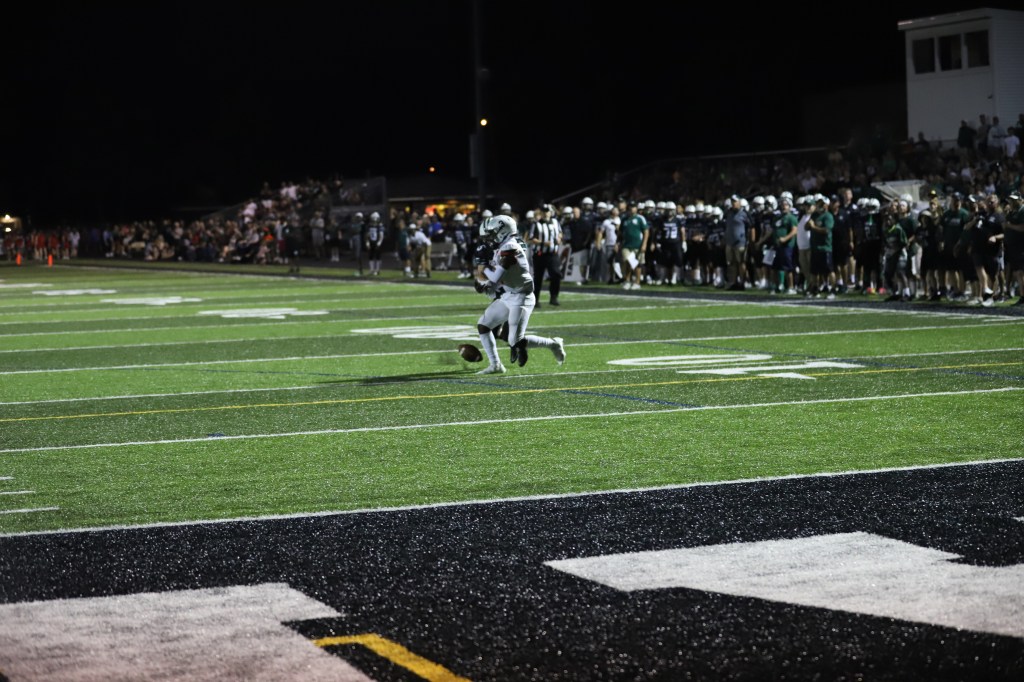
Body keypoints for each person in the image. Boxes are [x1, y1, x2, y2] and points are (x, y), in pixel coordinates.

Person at [473, 215, 565, 374]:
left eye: (493, 233)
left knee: (515, 341)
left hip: (522, 297)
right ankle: (496, 365)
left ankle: (553, 344)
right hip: (509, 294)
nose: (491, 238)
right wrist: (485, 284)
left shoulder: (510, 247)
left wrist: (484, 272)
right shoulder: (504, 245)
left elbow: (495, 277)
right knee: (484, 325)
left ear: (503, 231)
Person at [527, 204, 563, 306]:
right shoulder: (536, 224)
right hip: (540, 254)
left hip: (552, 254)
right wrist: (543, 243)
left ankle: (554, 297)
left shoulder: (555, 222)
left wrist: (559, 238)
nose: (545, 213)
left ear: (550, 212)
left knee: (556, 274)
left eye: (547, 211)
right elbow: (531, 239)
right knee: (538, 278)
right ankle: (535, 300)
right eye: (543, 211)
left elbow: (560, 232)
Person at [365, 211, 386, 276]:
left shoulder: (380, 226)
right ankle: (371, 269)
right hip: (371, 242)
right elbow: (367, 235)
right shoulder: (369, 226)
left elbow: (381, 235)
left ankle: (377, 270)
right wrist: (367, 242)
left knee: (378, 256)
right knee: (371, 256)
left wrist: (379, 242)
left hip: (377, 242)